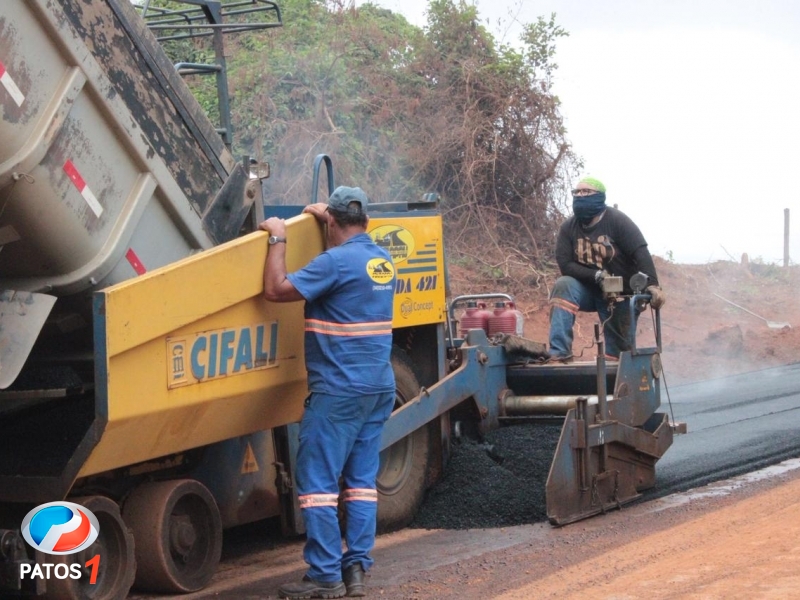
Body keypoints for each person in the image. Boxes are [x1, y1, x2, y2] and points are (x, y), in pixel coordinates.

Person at [260, 186, 396, 599]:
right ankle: (355, 570)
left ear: (332, 223)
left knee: (318, 483)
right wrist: (326, 215)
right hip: (378, 387)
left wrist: (278, 236)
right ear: (366, 222)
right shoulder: (383, 260)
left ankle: (323, 576)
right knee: (359, 482)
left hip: (338, 391)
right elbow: (349, 242)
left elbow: (276, 289)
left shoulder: (334, 263)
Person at [548, 176, 666, 362]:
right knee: (564, 285)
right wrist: (596, 276)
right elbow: (565, 264)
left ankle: (614, 379)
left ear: (599, 197)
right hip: (587, 289)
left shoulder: (618, 221)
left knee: (618, 356)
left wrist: (652, 284)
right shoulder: (568, 227)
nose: (580, 196)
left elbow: (640, 251)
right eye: (577, 192)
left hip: (620, 294)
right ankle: (559, 353)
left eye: (586, 192)